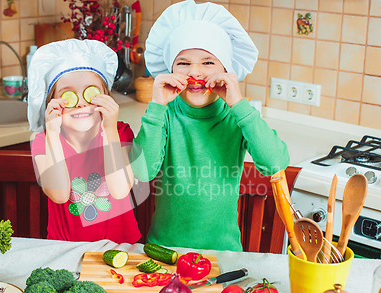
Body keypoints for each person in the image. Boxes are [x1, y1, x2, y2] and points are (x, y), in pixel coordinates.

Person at [129, 0, 290, 251]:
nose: (196, 72)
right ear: (170, 69)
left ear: (225, 69)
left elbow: (275, 163)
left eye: (208, 62)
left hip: (222, 252)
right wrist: (157, 106)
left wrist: (239, 104)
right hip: (164, 250)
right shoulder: (165, 114)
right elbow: (141, 171)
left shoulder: (237, 115)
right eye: (183, 63)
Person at [28, 39, 140, 243]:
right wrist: (52, 133)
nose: (80, 103)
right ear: (51, 102)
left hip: (120, 247)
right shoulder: (43, 140)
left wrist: (109, 128)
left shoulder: (120, 132)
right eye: (68, 95)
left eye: (91, 93)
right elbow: (59, 194)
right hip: (65, 249)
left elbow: (120, 189)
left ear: (106, 97)